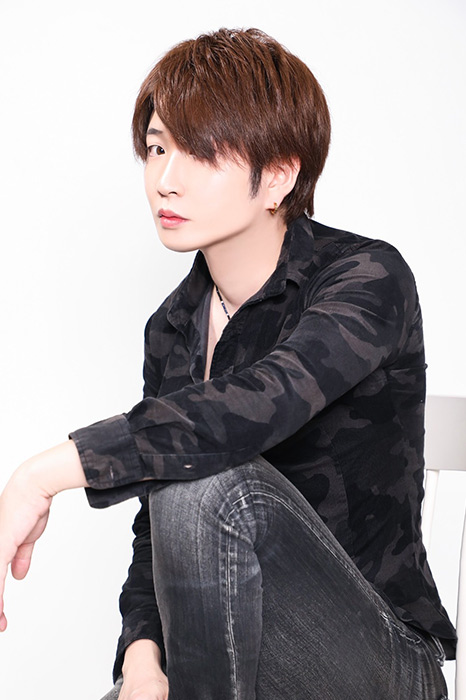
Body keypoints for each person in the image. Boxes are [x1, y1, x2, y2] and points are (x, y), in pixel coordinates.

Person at [0, 27, 456, 700]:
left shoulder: (365, 277)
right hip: (227, 657)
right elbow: (156, 537)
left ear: (278, 176)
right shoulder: (173, 328)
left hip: (381, 663)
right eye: (158, 148)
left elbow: (257, 407)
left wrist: (42, 476)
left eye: (200, 153)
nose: (166, 179)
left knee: (203, 480)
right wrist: (142, 665)